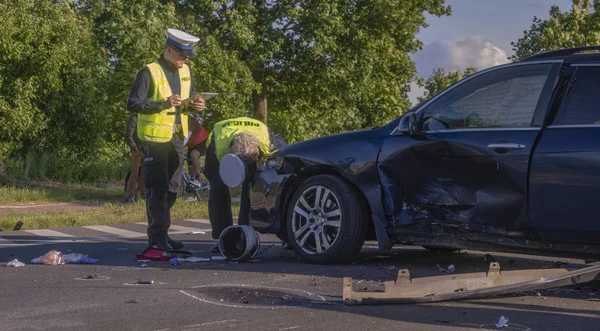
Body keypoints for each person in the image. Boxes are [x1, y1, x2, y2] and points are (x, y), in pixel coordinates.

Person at [127, 28, 205, 251]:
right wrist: (162, 104)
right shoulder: (149, 72)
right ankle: (157, 237)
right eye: (182, 55)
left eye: (188, 55)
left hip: (177, 138)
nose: (186, 59)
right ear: (169, 50)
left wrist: (195, 104)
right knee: (157, 188)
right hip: (155, 139)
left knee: (173, 188)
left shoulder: (186, 71)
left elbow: (184, 102)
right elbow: (132, 103)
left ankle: (164, 234)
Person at [203, 116, 286, 253]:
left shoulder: (269, 141)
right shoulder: (218, 145)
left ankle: (245, 233)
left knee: (250, 191)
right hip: (224, 153)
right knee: (218, 192)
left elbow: (285, 158)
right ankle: (222, 238)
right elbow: (212, 173)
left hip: (251, 150)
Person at [124, 114, 147, 203]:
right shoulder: (134, 118)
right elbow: (129, 135)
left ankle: (144, 195)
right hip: (137, 150)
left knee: (145, 174)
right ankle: (131, 195)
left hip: (146, 149)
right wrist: (134, 147)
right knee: (134, 173)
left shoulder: (147, 118)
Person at [186, 114, 209, 188]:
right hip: (191, 144)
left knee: (194, 154)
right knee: (190, 168)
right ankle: (194, 192)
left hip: (202, 140)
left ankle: (198, 179)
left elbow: (186, 137)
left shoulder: (190, 120)